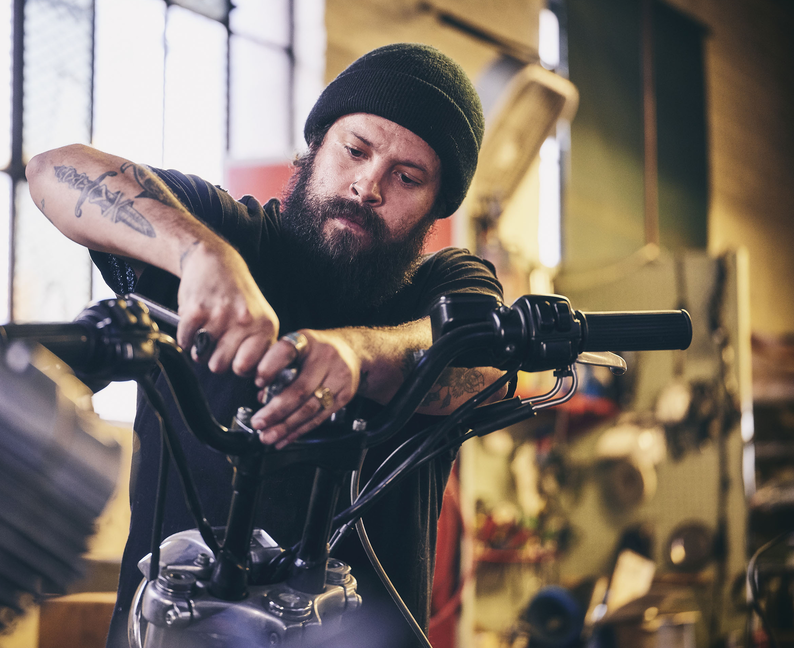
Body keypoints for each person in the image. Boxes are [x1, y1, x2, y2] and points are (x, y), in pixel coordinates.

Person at [27, 43, 505, 647]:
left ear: (436, 206)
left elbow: (485, 357)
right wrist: (199, 255)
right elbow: (53, 171)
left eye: (406, 177)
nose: (367, 185)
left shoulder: (444, 286)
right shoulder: (221, 231)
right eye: (354, 151)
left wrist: (360, 356)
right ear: (315, 146)